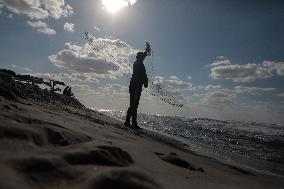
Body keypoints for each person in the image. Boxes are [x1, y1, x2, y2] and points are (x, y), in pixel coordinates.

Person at [124, 43, 151, 129]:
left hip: (134, 86)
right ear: (140, 57)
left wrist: (147, 49)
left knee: (133, 104)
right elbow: (143, 75)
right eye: (142, 57)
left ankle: (129, 122)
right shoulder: (139, 63)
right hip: (135, 86)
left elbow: (145, 54)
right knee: (134, 105)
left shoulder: (138, 62)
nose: (143, 57)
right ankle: (132, 123)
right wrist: (146, 82)